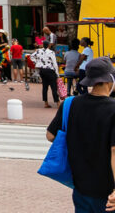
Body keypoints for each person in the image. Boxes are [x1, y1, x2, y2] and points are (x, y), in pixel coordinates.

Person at [46, 57, 115, 212]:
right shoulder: (113, 109)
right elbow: (114, 151)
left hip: (80, 187)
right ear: (109, 80)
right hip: (108, 191)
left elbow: (50, 135)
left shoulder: (70, 104)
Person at [31, 41, 60, 108]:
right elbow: (55, 63)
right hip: (50, 70)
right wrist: (57, 74)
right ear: (49, 45)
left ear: (43, 45)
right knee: (54, 87)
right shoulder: (51, 52)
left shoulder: (38, 51)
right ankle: (58, 103)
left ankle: (46, 103)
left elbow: (31, 56)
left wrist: (36, 62)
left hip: (42, 70)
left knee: (45, 87)